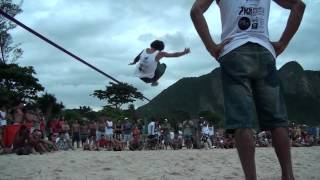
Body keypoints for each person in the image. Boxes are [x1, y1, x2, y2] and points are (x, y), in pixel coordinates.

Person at [191, 0, 305, 179]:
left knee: (242, 121)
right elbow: (299, 5)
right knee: (277, 120)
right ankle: (288, 175)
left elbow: (196, 10)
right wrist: (282, 43)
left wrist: (211, 46)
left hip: (233, 51)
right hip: (264, 51)